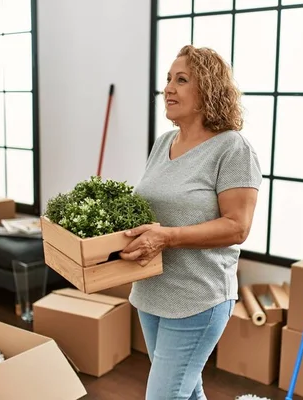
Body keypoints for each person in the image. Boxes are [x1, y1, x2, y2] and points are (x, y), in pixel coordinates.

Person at [119, 44, 262, 400]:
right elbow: (154, 210)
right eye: (168, 79)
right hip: (152, 291)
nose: (168, 88)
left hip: (198, 298)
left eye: (181, 80)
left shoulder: (232, 148)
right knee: (186, 389)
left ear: (208, 90)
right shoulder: (164, 142)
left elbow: (237, 226)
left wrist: (166, 237)